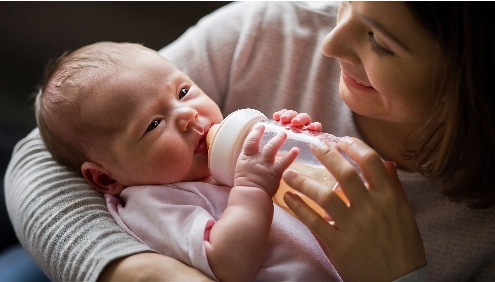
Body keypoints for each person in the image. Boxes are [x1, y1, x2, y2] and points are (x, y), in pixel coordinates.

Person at [4, 1, 495, 282]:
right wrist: (137, 272)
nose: (329, 44)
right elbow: (41, 157)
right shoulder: (155, 201)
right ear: (107, 178)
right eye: (344, 0)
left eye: (379, 41)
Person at [35, 41, 339, 281]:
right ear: (106, 178)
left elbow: (318, 193)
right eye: (153, 124)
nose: (187, 115)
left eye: (183, 92)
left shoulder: (224, 159)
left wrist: (297, 142)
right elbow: (228, 266)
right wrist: (252, 188)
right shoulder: (152, 203)